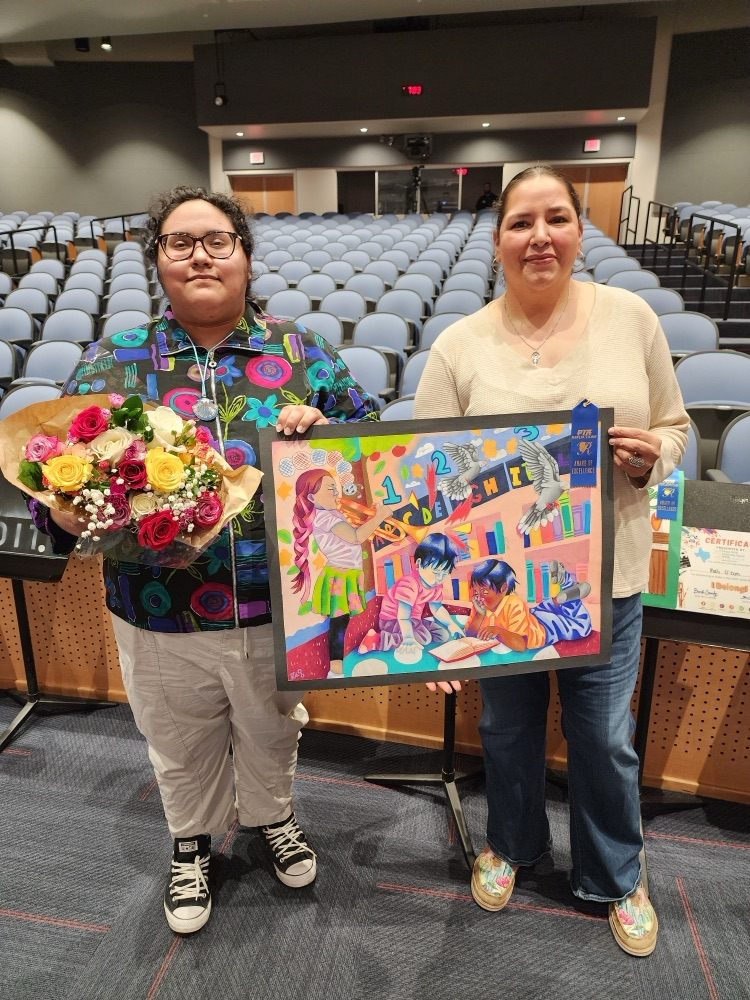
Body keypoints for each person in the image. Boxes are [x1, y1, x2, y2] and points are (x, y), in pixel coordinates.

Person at [28, 186, 378, 935]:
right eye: (179, 242)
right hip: (156, 606)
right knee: (176, 738)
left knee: (272, 728)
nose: (199, 255)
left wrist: (327, 431)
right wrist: (56, 509)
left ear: (246, 257)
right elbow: (52, 473)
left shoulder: (301, 350)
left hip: (277, 600)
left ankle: (270, 817)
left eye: (217, 240)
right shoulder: (112, 363)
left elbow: (370, 446)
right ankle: (190, 843)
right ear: (158, 261)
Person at [415, 165, 689, 957]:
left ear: (578, 228)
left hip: (608, 579)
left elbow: (674, 427)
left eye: (557, 218)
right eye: (520, 222)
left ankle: (615, 873)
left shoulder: (631, 317)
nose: (539, 236)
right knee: (506, 727)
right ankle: (512, 844)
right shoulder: (460, 345)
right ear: (497, 239)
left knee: (603, 738)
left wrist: (649, 458)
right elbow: (430, 478)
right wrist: (435, 609)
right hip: (499, 589)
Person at [290, 469, 387, 677]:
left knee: (342, 621)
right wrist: (380, 517)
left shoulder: (332, 513)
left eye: (336, 487)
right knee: (339, 623)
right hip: (339, 577)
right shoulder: (324, 518)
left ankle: (337, 666)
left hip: (348, 575)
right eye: (330, 489)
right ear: (311, 497)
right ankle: (335, 669)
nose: (336, 493)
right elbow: (355, 536)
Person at [358, 532, 465, 659]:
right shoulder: (409, 584)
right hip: (392, 620)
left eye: (445, 573)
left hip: (414, 620)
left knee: (443, 634)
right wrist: (408, 638)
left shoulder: (435, 585)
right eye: (436, 572)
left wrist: (451, 625)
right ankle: (379, 639)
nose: (439, 578)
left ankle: (416, 634)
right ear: (419, 563)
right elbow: (403, 616)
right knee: (424, 638)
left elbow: (437, 608)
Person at [466, 558, 592, 651]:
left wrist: (498, 631)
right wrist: (479, 616)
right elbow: (469, 636)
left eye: (484, 591)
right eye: (476, 592)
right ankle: (559, 598)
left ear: (504, 588)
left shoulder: (512, 603)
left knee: (580, 626)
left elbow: (521, 645)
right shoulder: (479, 607)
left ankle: (567, 584)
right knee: (549, 607)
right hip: (532, 616)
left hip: (546, 627)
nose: (479, 597)